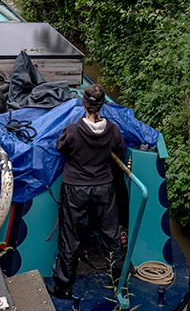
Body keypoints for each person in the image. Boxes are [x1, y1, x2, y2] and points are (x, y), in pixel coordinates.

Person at [49, 84, 127, 300]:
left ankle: (64, 287)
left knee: (70, 237)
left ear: (83, 103)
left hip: (76, 189)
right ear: (103, 105)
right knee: (111, 235)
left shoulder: (73, 131)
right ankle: (119, 283)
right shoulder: (113, 130)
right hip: (104, 188)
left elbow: (60, 147)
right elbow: (119, 151)